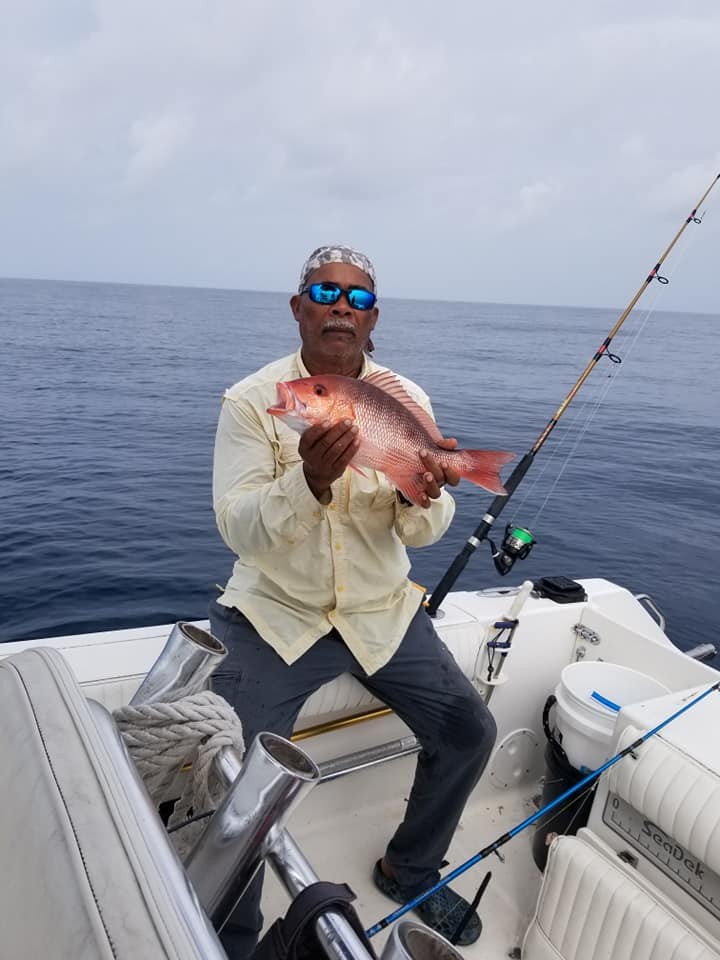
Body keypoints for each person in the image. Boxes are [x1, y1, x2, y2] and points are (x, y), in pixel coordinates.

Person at [209, 245, 497, 957]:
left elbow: (426, 530)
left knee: (470, 732)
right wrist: (303, 483)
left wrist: (425, 491)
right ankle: (234, 934)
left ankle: (411, 867)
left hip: (377, 609)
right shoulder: (253, 402)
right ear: (299, 307)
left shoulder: (407, 402)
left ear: (372, 320)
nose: (343, 305)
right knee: (232, 772)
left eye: (359, 298)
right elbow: (238, 527)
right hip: (275, 612)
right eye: (326, 292)